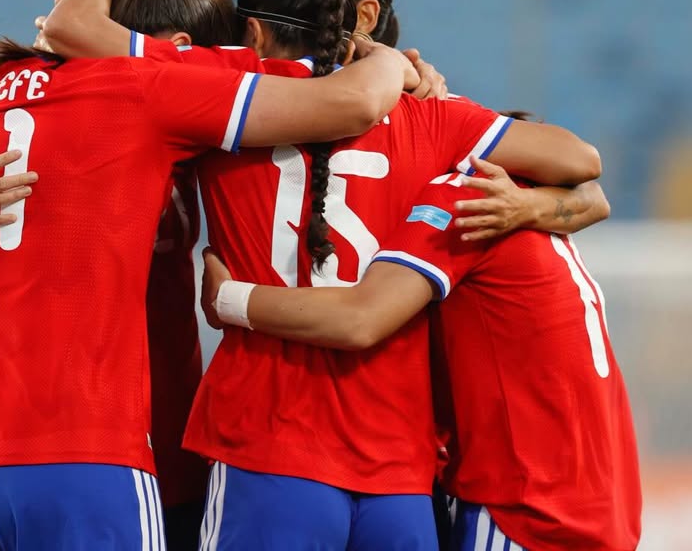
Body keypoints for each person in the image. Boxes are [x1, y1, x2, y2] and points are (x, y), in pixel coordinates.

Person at [40, 0, 607, 549]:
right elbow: (580, 161)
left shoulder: (225, 86)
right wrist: (525, 198)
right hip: (397, 474)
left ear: (252, 33)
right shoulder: (431, 119)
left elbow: (75, 33)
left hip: (266, 450)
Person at [0, 0, 417, 550]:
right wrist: (393, 61)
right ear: (183, 49)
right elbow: (350, 101)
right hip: (79, 443)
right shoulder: (149, 90)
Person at [200, 161, 641, 551]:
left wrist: (229, 299)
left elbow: (361, 319)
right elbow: (594, 192)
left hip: (529, 508)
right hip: (604, 502)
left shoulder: (466, 195)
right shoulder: (528, 205)